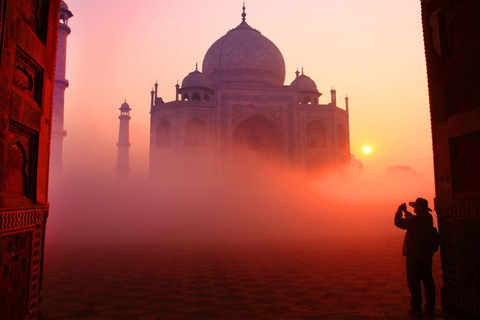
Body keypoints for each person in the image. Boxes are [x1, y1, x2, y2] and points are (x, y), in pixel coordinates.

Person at [394, 198, 436, 317]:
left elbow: (400, 222)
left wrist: (399, 212)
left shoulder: (418, 219)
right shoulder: (427, 217)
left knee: (414, 282)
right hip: (426, 255)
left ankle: (416, 308)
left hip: (415, 255)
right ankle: (430, 306)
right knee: (428, 280)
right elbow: (413, 221)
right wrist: (406, 213)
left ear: (418, 208)